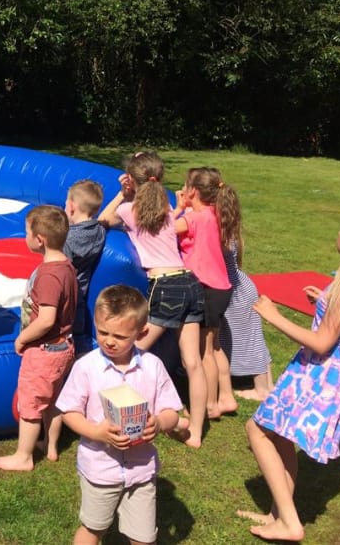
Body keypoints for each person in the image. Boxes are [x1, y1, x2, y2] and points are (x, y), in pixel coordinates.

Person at [237, 208, 340, 542]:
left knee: (258, 430)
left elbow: (322, 342)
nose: (338, 233)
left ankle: (290, 523)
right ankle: (278, 513)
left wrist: (273, 316)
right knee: (281, 434)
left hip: (324, 374)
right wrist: (324, 301)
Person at [57, 285, 183, 545]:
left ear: (141, 332)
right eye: (103, 332)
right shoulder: (86, 367)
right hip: (100, 469)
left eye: (120, 336)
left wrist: (160, 423)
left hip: (141, 470)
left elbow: (171, 410)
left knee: (144, 538)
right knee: (94, 528)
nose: (109, 341)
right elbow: (69, 411)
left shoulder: (152, 366)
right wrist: (96, 432)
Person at [98, 151, 206, 448]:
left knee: (131, 350)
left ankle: (137, 414)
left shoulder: (130, 210)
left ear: (131, 180)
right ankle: (196, 432)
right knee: (193, 362)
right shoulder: (167, 209)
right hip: (189, 282)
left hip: (165, 285)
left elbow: (102, 220)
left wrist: (121, 194)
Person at [0, 205, 78, 471]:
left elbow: (47, 319)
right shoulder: (65, 266)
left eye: (27, 232)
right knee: (52, 400)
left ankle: (24, 456)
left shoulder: (49, 275)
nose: (25, 236)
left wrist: (22, 339)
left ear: (40, 239)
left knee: (30, 402)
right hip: (63, 346)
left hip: (44, 350)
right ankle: (50, 446)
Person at [173, 167, 237, 419]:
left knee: (205, 352)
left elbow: (165, 230)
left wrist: (178, 207)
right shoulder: (214, 213)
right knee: (214, 347)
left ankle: (209, 405)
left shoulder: (195, 218)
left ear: (193, 191)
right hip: (220, 287)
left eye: (185, 186)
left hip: (207, 288)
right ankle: (226, 397)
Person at [216, 183, 273, 401]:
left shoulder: (221, 234)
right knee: (253, 335)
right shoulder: (229, 229)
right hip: (241, 288)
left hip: (236, 294)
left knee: (248, 339)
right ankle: (268, 384)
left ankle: (261, 389)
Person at [64, 179, 107, 352]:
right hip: (80, 294)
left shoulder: (67, 238)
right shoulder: (100, 231)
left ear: (71, 206)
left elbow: (61, 268)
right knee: (78, 334)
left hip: (65, 295)